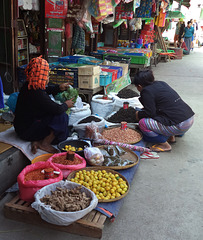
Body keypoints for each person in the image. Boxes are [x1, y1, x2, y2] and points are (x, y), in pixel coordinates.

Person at [14, 56, 74, 154]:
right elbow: (57, 109)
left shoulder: (29, 85)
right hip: (26, 131)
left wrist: (58, 88)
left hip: (24, 127)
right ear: (40, 75)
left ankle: (37, 141)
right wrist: (66, 105)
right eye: (47, 74)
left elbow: (45, 90)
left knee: (63, 130)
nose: (48, 77)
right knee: (62, 118)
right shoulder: (37, 93)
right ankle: (44, 143)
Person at [133, 70, 194, 152]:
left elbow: (150, 113)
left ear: (139, 86)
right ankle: (171, 136)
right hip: (188, 118)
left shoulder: (146, 91)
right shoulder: (161, 83)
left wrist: (138, 114)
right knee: (164, 112)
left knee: (143, 123)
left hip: (179, 125)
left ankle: (164, 145)